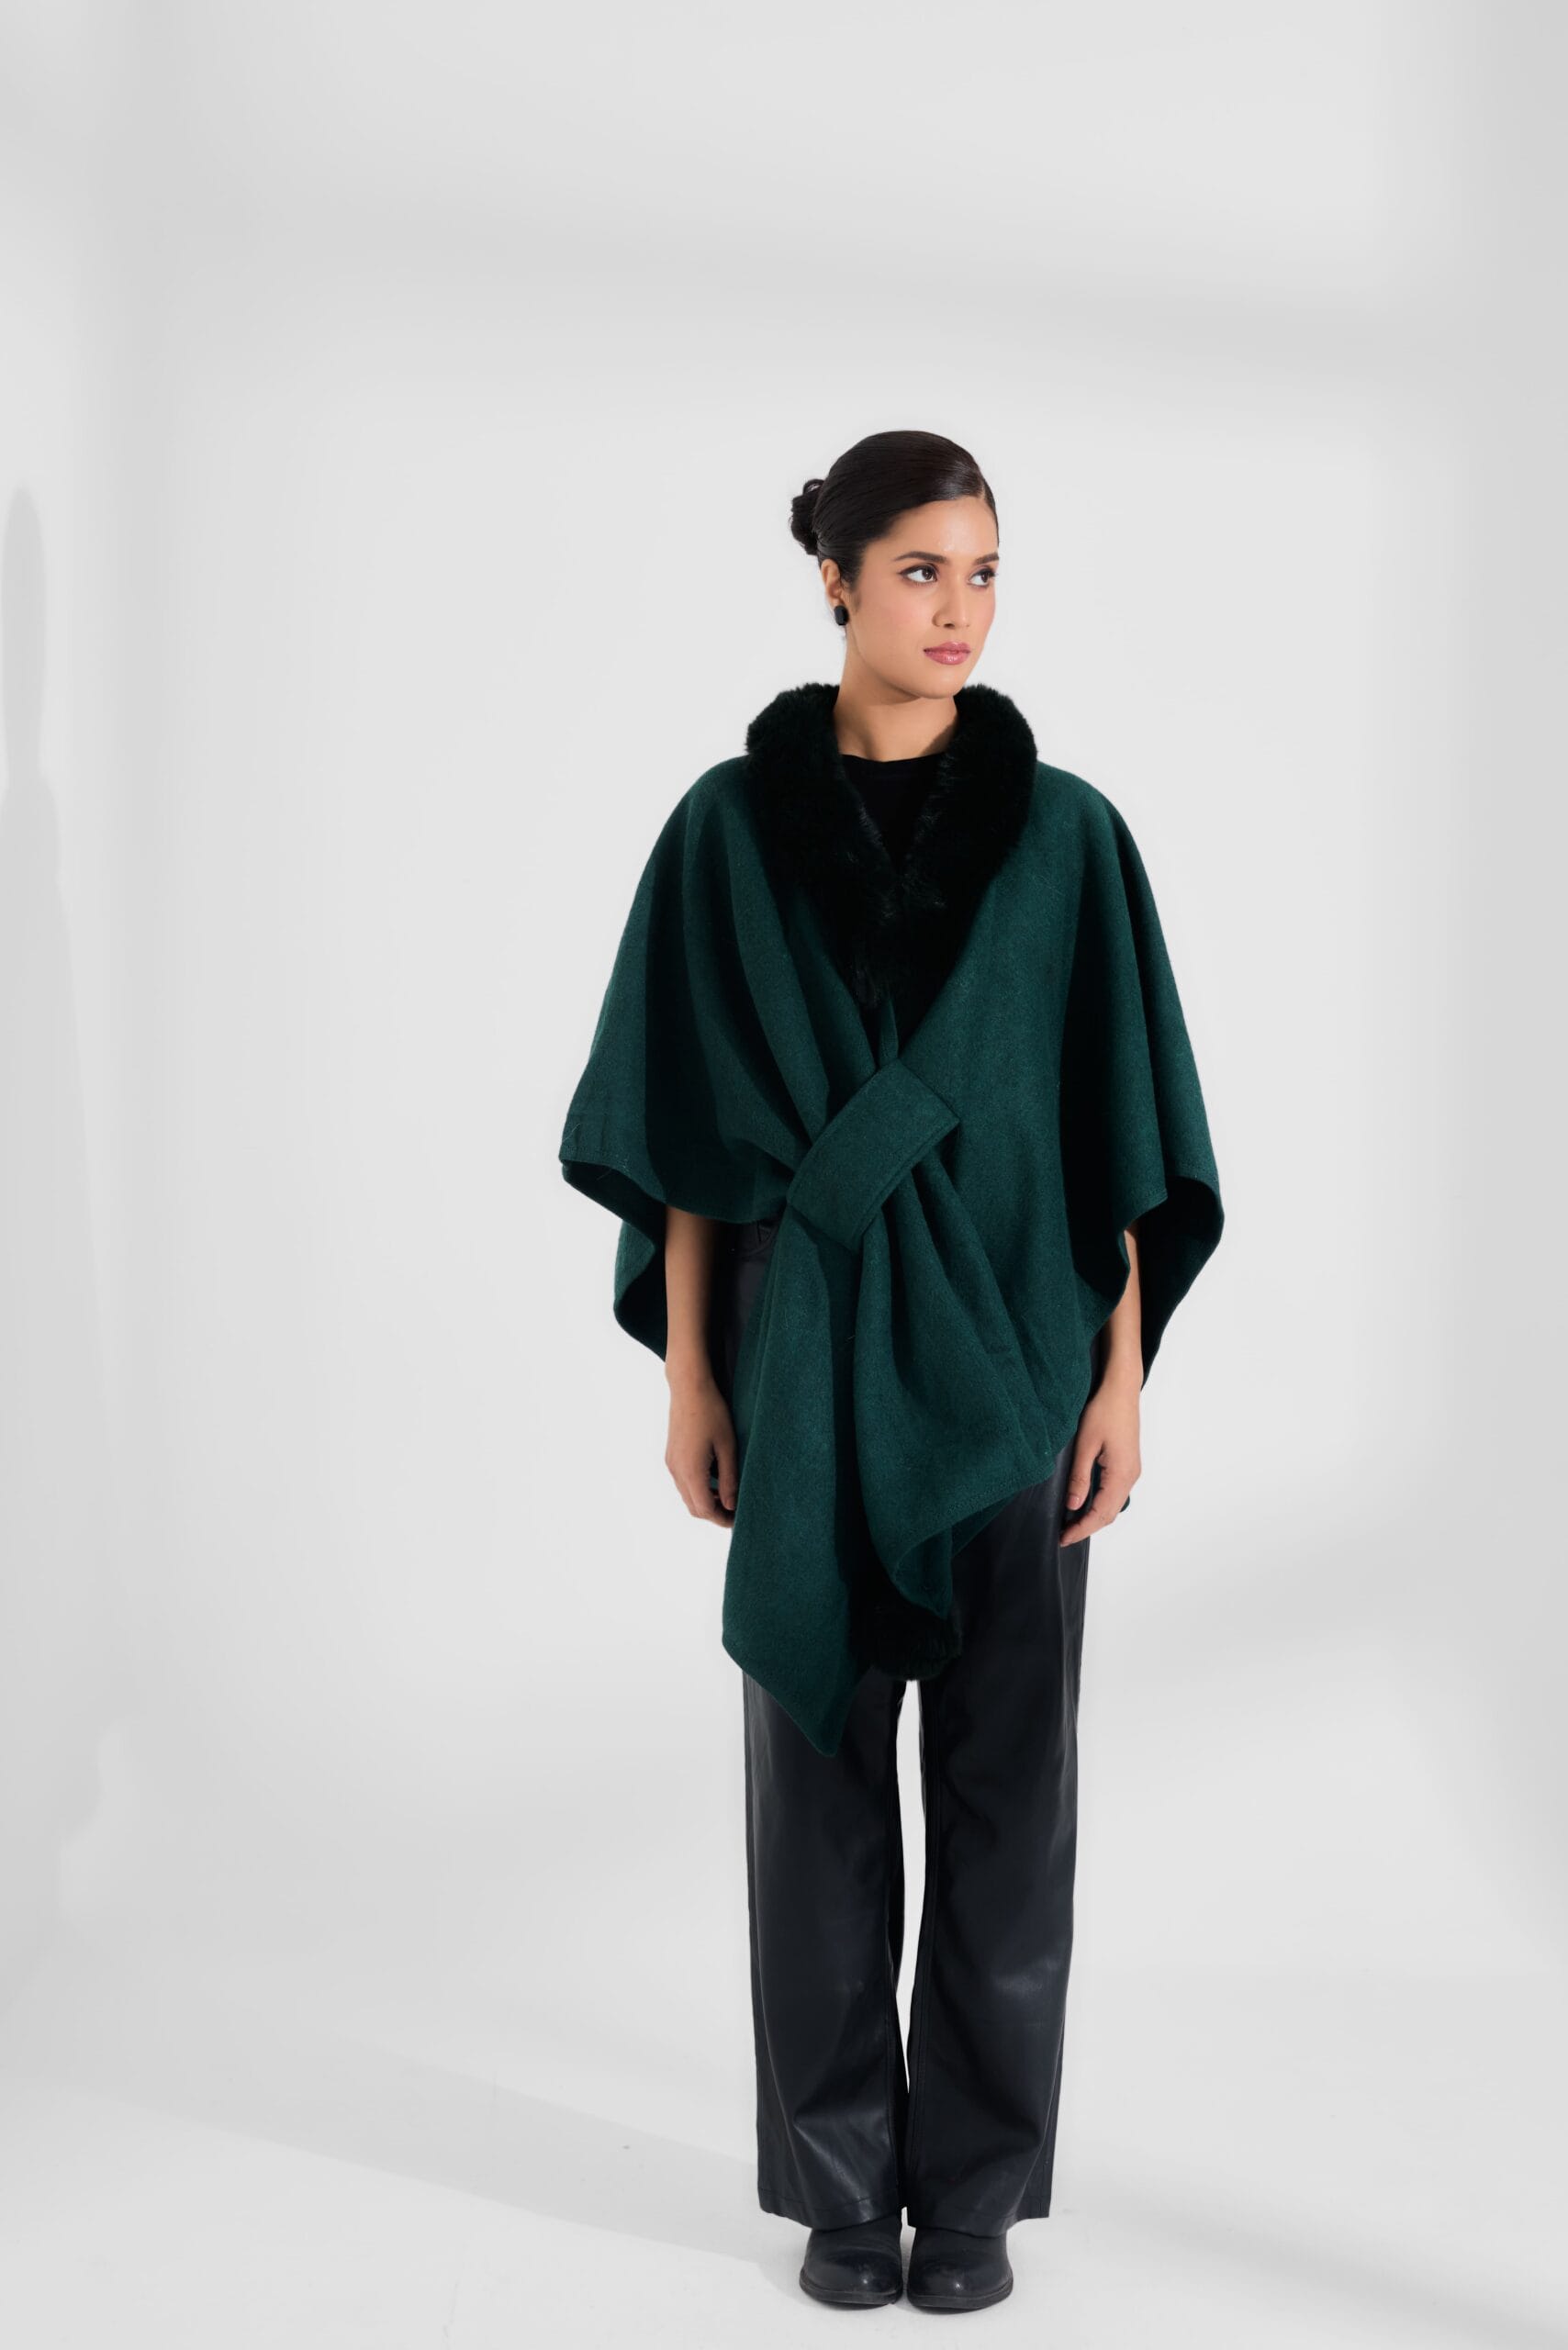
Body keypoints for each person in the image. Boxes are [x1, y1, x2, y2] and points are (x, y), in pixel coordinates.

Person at [559, 429, 1224, 2313]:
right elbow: (688, 1131)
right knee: (817, 1783)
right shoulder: (723, 829)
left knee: (1012, 1790)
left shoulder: (1068, 836)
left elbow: (1112, 1138)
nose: (958, 608)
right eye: (921, 568)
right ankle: (843, 2189)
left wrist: (1119, 1381)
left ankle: (978, 2195)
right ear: (836, 580)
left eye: (983, 571)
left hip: (1017, 1349)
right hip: (804, 1343)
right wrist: (693, 1378)